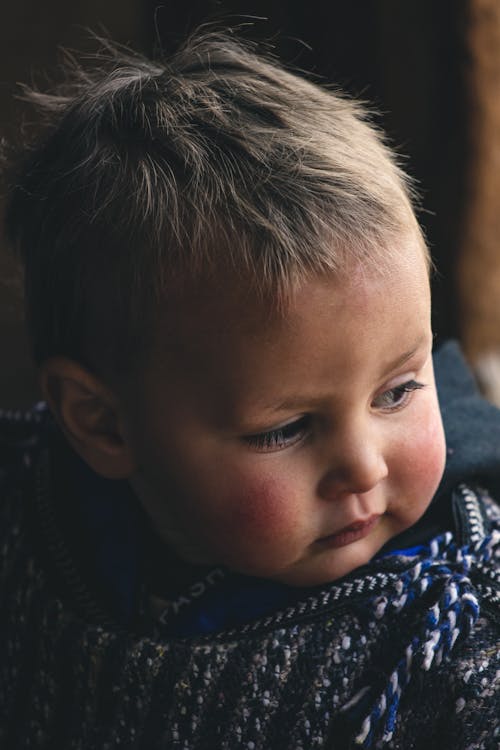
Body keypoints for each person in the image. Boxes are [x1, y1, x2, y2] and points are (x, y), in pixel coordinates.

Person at [0, 30, 498, 749]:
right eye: (286, 429)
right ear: (103, 423)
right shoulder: (27, 524)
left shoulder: (456, 631)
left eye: (397, 390)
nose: (364, 465)